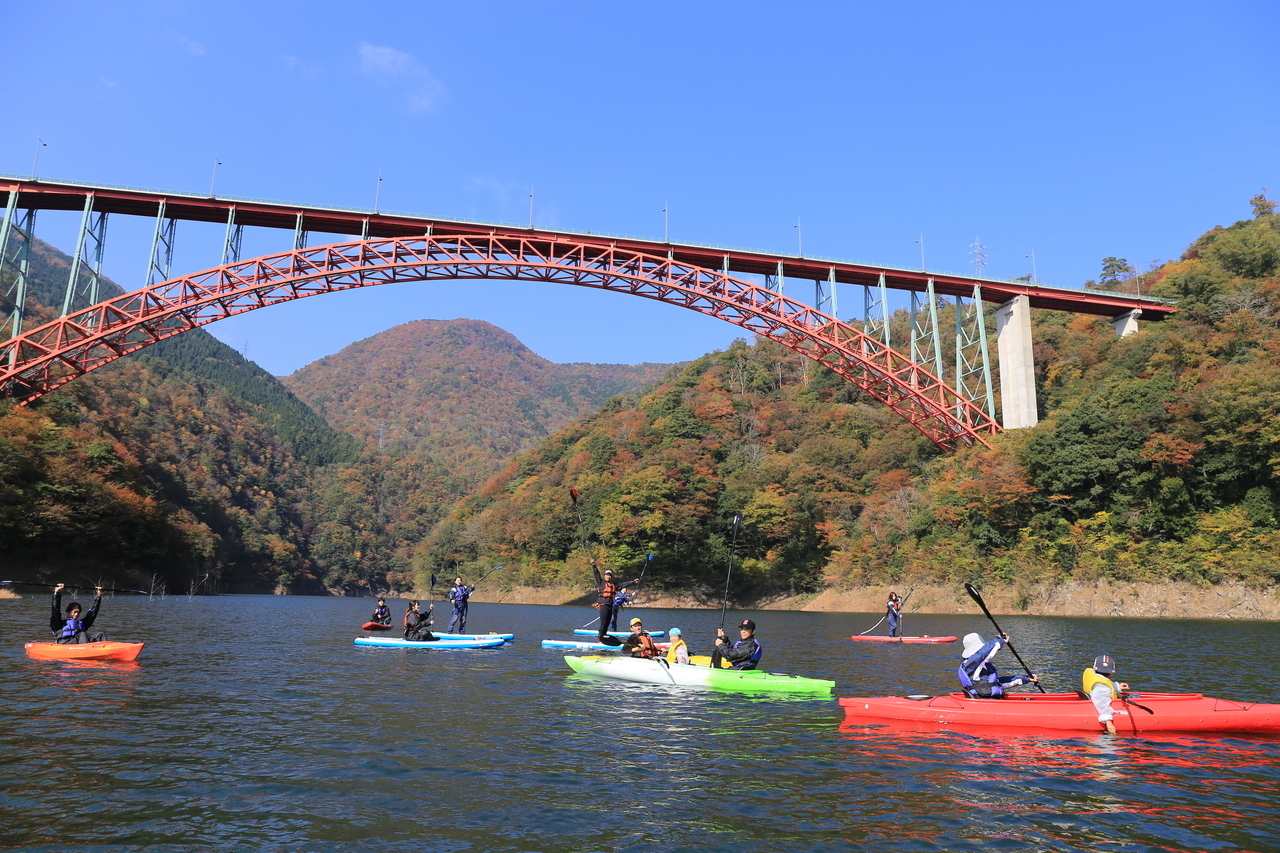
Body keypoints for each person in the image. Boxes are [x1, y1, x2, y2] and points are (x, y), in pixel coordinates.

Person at [957, 632, 1038, 698]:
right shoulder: (969, 665)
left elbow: (998, 682)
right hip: (982, 701)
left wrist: (1026, 678)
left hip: (993, 700)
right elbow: (982, 654)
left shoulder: (984, 666)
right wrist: (1000, 640)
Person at [1082, 654, 1131, 735]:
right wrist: (1108, 721)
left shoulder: (1098, 679)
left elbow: (1104, 686)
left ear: (1094, 668)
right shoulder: (1102, 686)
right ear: (1112, 672)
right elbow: (1101, 701)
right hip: (1099, 706)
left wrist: (1117, 686)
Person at [592, 567, 640, 642]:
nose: (608, 576)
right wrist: (593, 565)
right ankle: (600, 637)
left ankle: (603, 636)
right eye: (607, 575)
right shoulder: (601, 582)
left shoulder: (614, 585)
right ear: (604, 576)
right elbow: (596, 574)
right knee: (603, 622)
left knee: (608, 622)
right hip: (603, 604)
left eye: (610, 575)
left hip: (610, 605)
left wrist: (633, 581)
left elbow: (624, 584)